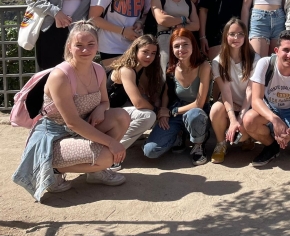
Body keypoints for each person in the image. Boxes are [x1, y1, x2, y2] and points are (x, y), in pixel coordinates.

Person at [13, 22, 130, 201]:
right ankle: (51, 169)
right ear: (69, 46)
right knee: (108, 156)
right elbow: (72, 122)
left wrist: (100, 109)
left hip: (83, 128)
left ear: (97, 45)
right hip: (55, 136)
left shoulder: (98, 69)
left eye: (90, 44)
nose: (85, 50)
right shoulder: (61, 76)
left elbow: (105, 102)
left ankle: (94, 172)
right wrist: (111, 143)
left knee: (121, 116)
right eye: (79, 45)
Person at [243, 30, 290, 167]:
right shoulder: (265, 64)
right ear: (276, 51)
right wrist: (274, 119)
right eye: (286, 50)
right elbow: (256, 100)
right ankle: (271, 146)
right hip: (271, 109)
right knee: (249, 120)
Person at [143, 29, 211, 166]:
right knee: (150, 151)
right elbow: (166, 93)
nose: (181, 49)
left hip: (197, 111)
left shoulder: (204, 66)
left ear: (193, 45)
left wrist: (171, 112)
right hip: (176, 109)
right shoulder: (172, 67)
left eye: (185, 44)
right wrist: (163, 112)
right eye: (176, 46)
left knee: (194, 115)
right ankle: (178, 136)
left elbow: (199, 103)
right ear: (172, 49)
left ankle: (199, 144)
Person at [106, 35, 163, 167]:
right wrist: (157, 111)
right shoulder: (126, 69)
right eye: (145, 52)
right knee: (148, 116)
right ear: (135, 50)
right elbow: (138, 102)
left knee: (148, 104)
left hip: (116, 110)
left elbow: (149, 94)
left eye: (153, 53)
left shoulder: (140, 69)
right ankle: (111, 153)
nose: (149, 56)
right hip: (105, 113)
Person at [210, 18, 260, 163]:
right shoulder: (218, 61)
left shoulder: (255, 59)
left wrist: (240, 119)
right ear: (226, 36)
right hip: (229, 104)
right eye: (232, 34)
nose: (236, 38)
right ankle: (220, 144)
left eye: (240, 34)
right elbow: (225, 92)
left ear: (245, 36)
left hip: (248, 105)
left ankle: (248, 137)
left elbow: (250, 92)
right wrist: (233, 120)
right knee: (215, 109)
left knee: (241, 136)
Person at [150, 0, 200, 72]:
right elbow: (162, 20)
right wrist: (184, 19)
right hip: (165, 44)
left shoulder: (188, 2)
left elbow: (196, 25)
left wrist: (175, 23)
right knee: (166, 74)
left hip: (185, 44)